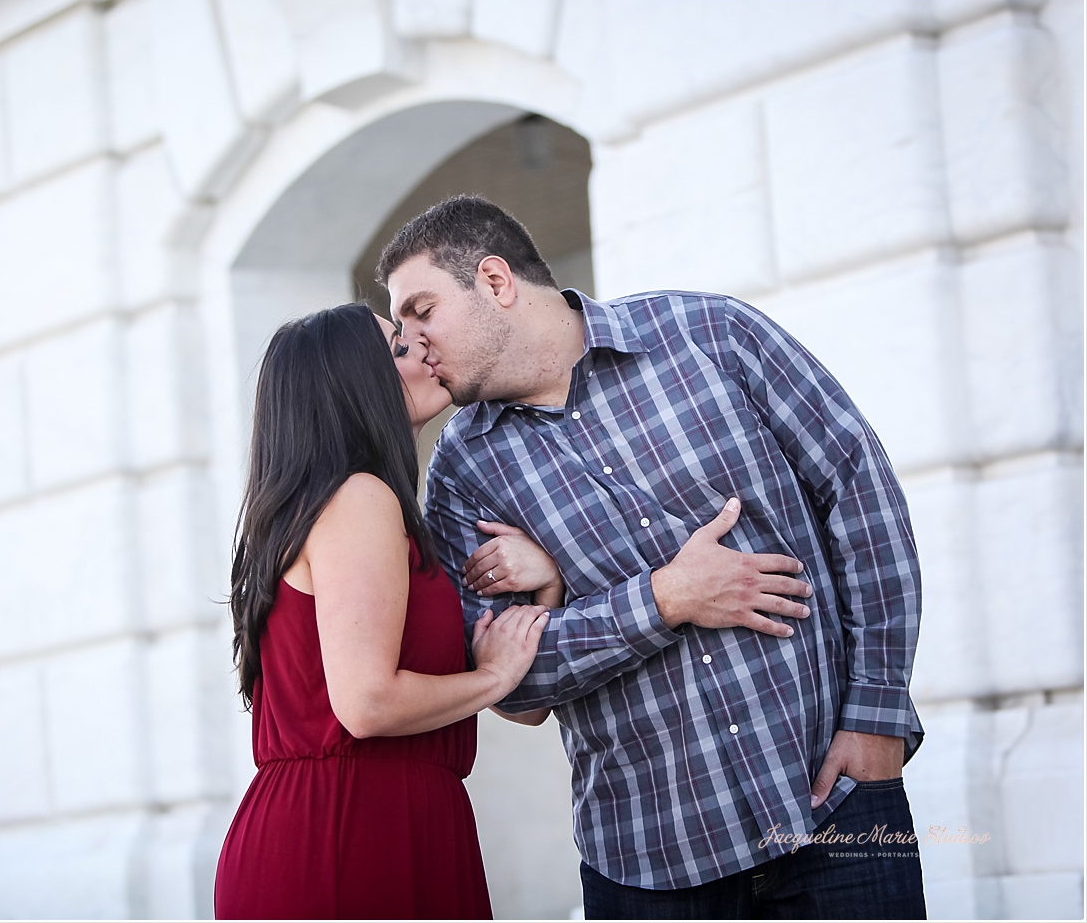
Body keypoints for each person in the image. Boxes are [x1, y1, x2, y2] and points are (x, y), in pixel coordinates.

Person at [381, 195, 926, 919]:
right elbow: (507, 681)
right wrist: (663, 598)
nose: (414, 345)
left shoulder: (711, 335)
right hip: (648, 866)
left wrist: (877, 714)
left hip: (835, 810)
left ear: (495, 281)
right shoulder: (461, 473)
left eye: (423, 310)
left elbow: (862, 496)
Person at [213, 301, 553, 919]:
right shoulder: (359, 500)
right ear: (354, 387)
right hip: (347, 833)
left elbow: (525, 709)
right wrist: (492, 677)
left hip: (376, 819)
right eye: (398, 347)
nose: (423, 348)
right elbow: (367, 703)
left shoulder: (361, 509)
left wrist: (547, 581)